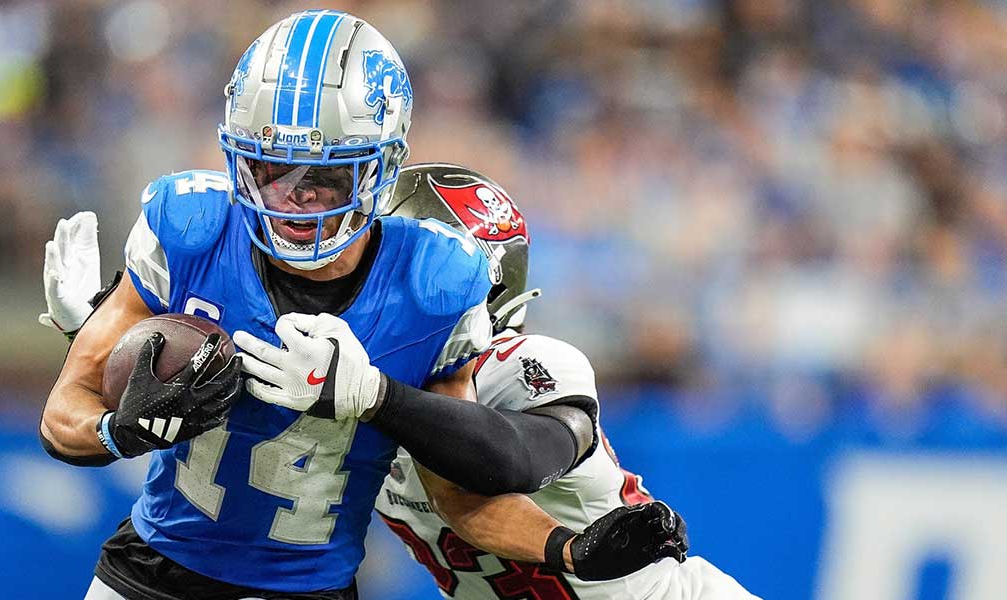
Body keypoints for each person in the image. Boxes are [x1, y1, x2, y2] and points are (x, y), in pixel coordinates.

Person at [38, 11, 680, 600]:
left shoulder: (434, 285)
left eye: (326, 176)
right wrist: (118, 427)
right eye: (270, 170)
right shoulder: (191, 227)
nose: (294, 201)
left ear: (381, 169)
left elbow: (462, 489)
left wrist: (564, 545)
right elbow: (65, 409)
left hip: (310, 587)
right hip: (149, 575)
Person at [40, 164, 744, 598]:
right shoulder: (348, 376)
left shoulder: (527, 368)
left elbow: (504, 459)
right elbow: (236, 414)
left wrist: (378, 394)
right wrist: (109, 338)